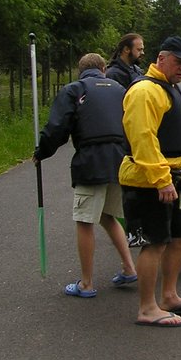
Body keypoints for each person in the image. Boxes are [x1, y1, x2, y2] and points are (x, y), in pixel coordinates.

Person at [34, 53, 137, 298]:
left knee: (84, 221)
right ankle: (128, 267)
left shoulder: (74, 89)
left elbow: (58, 127)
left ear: (81, 71)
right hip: (121, 160)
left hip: (92, 162)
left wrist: (42, 152)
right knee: (107, 215)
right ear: (103, 69)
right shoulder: (120, 89)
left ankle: (87, 284)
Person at [120, 36, 181, 327]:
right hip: (148, 179)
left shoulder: (170, 88)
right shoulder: (145, 90)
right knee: (154, 242)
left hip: (173, 177)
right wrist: (160, 180)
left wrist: (172, 178)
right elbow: (142, 138)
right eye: (179, 61)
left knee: (179, 237)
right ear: (161, 58)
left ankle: (169, 296)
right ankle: (147, 308)